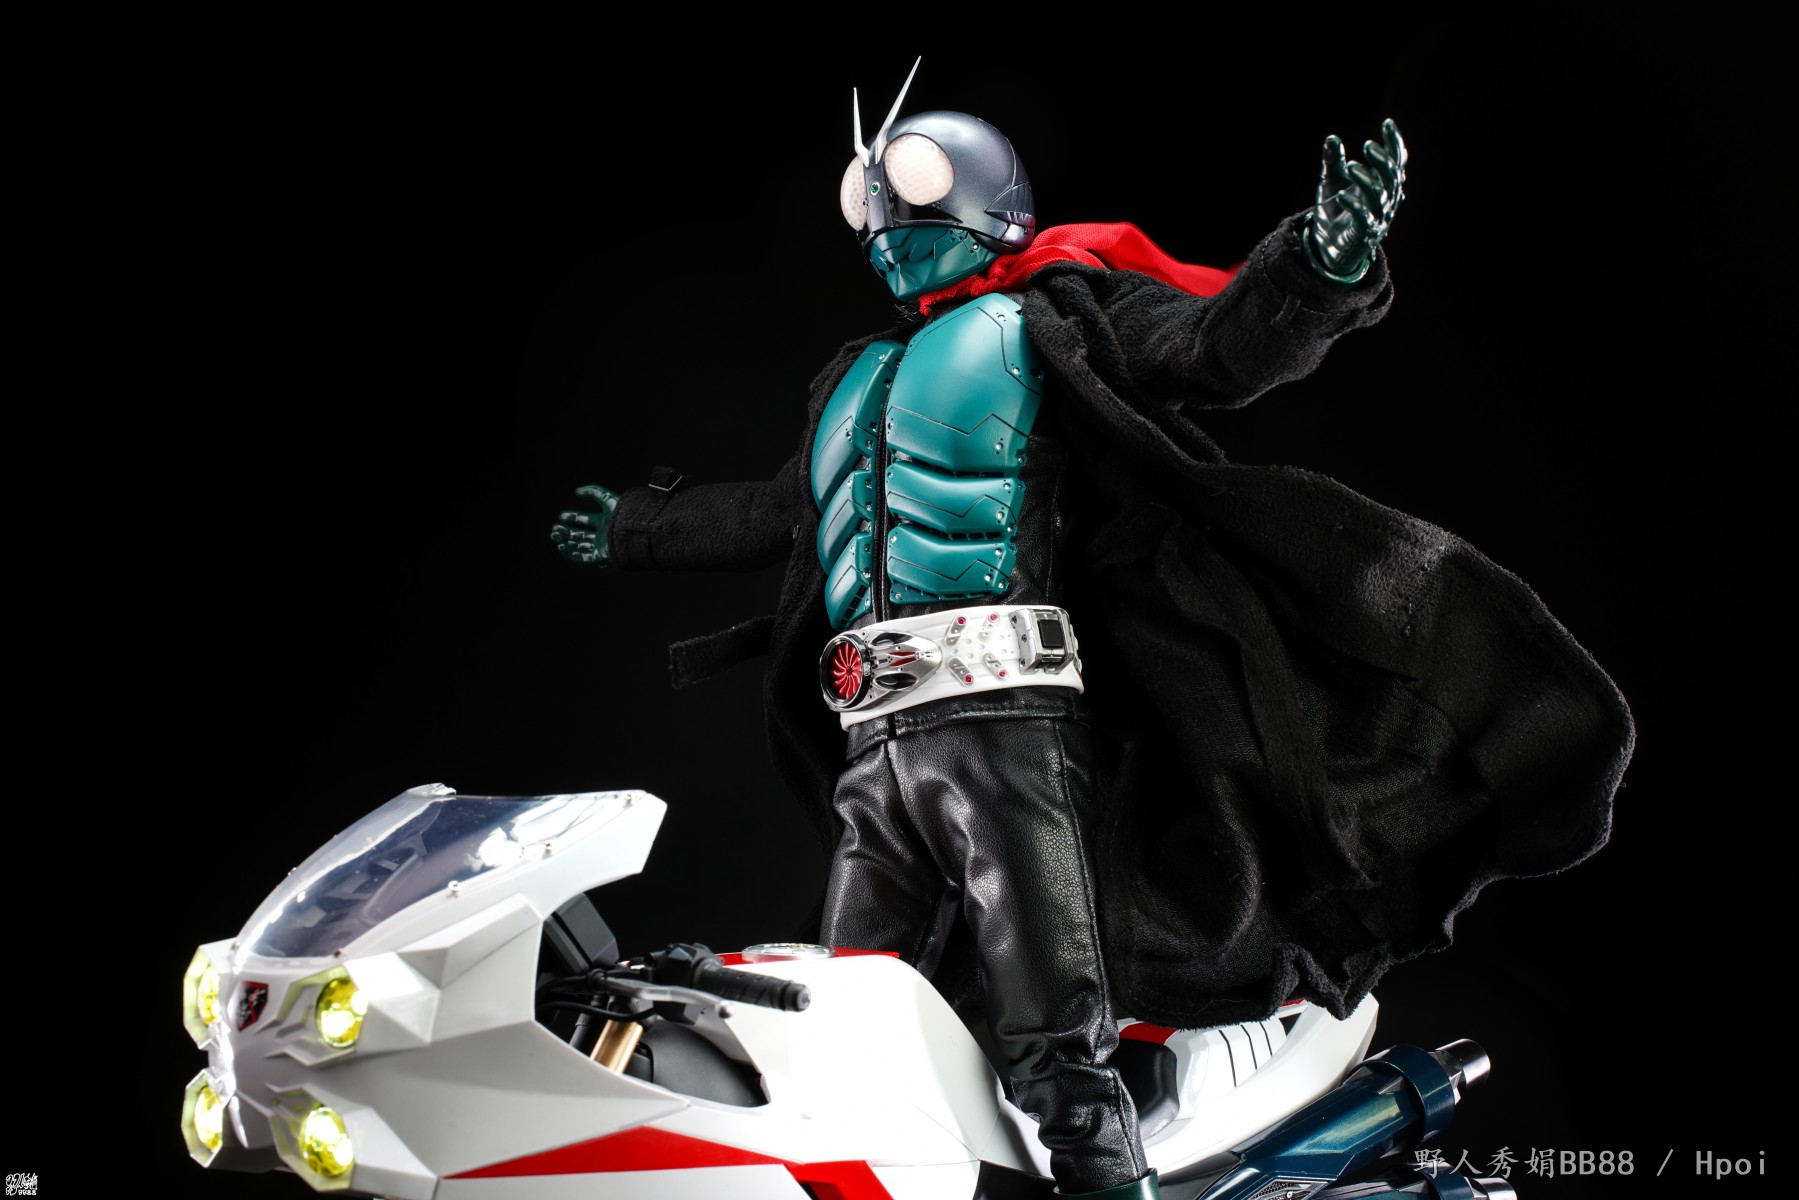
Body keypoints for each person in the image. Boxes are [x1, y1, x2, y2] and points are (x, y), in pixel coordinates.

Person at [550, 64, 1631, 1200]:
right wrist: (638, 526)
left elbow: (1215, 347)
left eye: (911, 185)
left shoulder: (1051, 321)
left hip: (1004, 727)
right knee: (844, 1023)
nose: (886, 226)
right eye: (867, 202)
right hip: (876, 746)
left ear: (988, 196)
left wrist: (1315, 267)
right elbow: (781, 512)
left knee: (1050, 1038)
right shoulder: (853, 379)